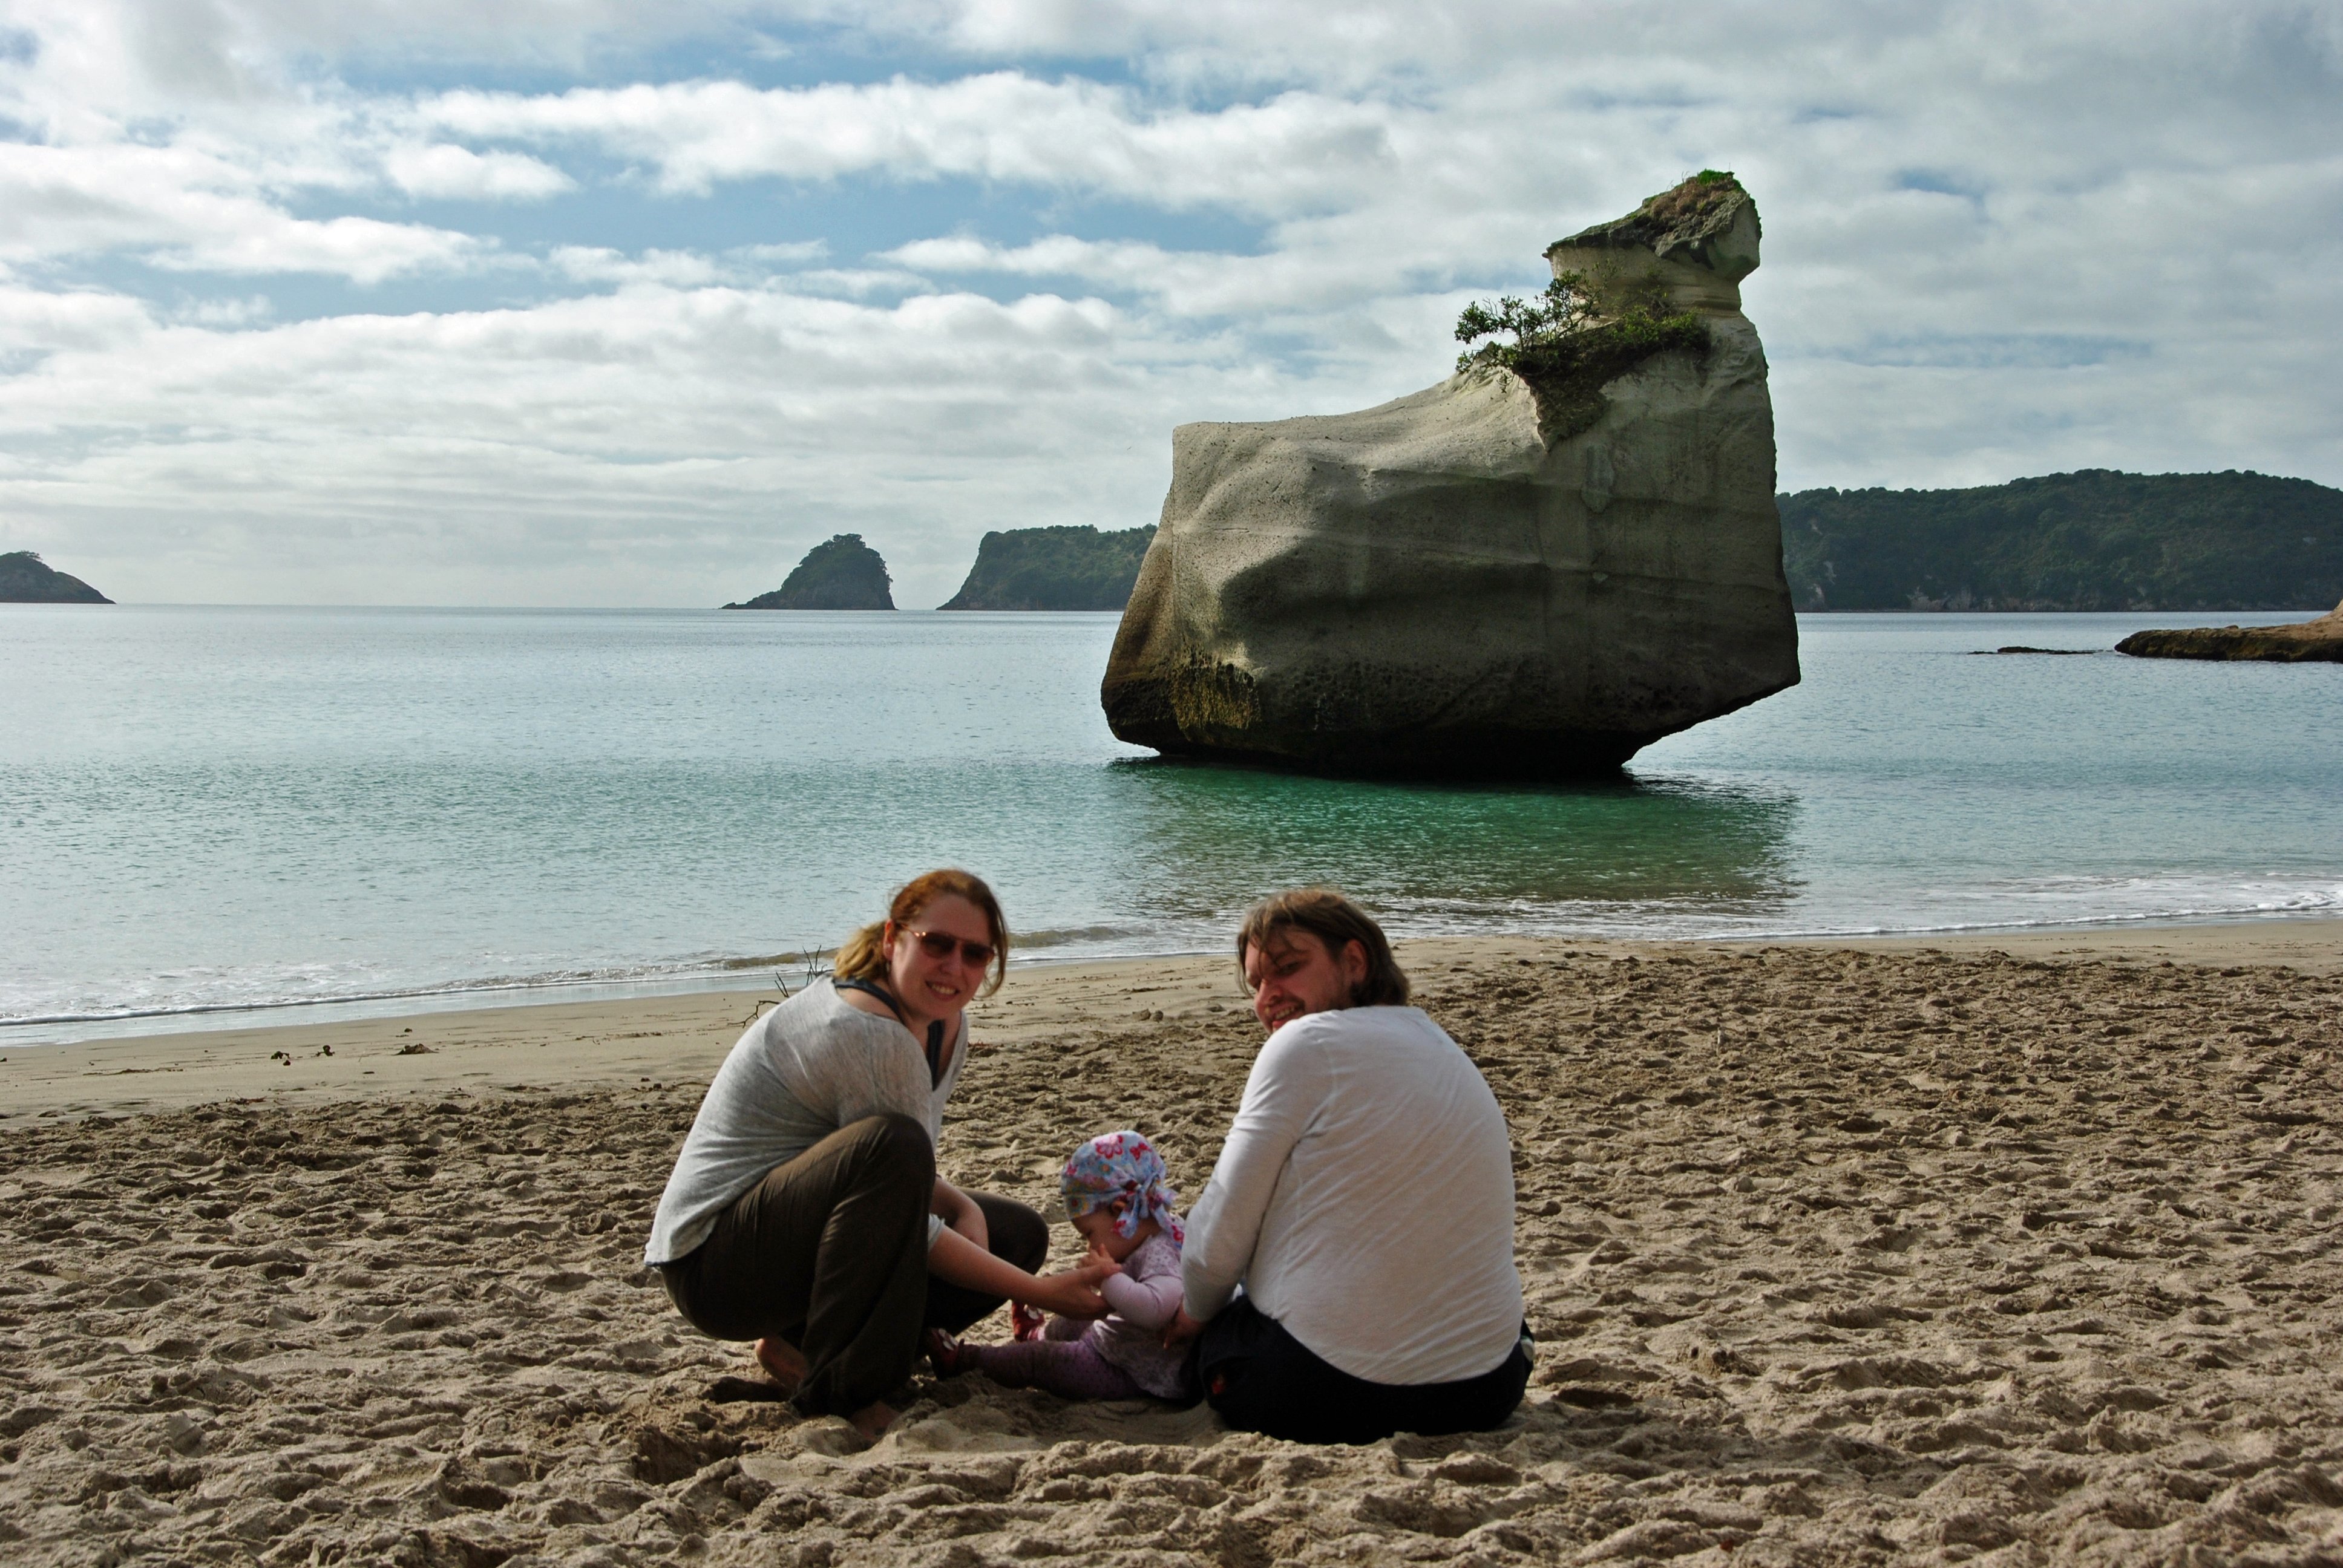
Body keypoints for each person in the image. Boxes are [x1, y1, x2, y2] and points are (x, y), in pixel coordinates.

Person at [644, 869, 1112, 1440]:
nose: (954, 967)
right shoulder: (872, 1032)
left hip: (791, 1232)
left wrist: (964, 1206)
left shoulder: (945, 1023)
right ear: (894, 939)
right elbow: (896, 1183)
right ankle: (845, 1388)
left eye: (975, 954)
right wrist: (1039, 1292)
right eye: (936, 944)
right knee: (913, 1174)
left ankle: (799, 1346)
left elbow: (898, 1179)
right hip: (713, 1264)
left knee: (1017, 1234)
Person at [1165, 888, 1531, 1444]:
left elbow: (1220, 1232)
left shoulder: (1306, 1045)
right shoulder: (1439, 1042)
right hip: (1489, 1388)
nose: (1268, 997)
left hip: (1326, 1390)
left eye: (1287, 970)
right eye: (1257, 984)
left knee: (1223, 1334)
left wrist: (1195, 1314)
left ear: (1354, 963)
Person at [928, 1130, 1194, 1402]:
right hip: (1119, 1342)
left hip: (1133, 1369)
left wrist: (1109, 1282)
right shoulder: (1141, 1239)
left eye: (1089, 1234)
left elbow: (1157, 1309)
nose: (1089, 1247)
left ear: (1119, 1210)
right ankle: (1036, 1334)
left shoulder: (1162, 1250)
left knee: (1043, 1361)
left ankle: (967, 1362)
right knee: (1075, 1317)